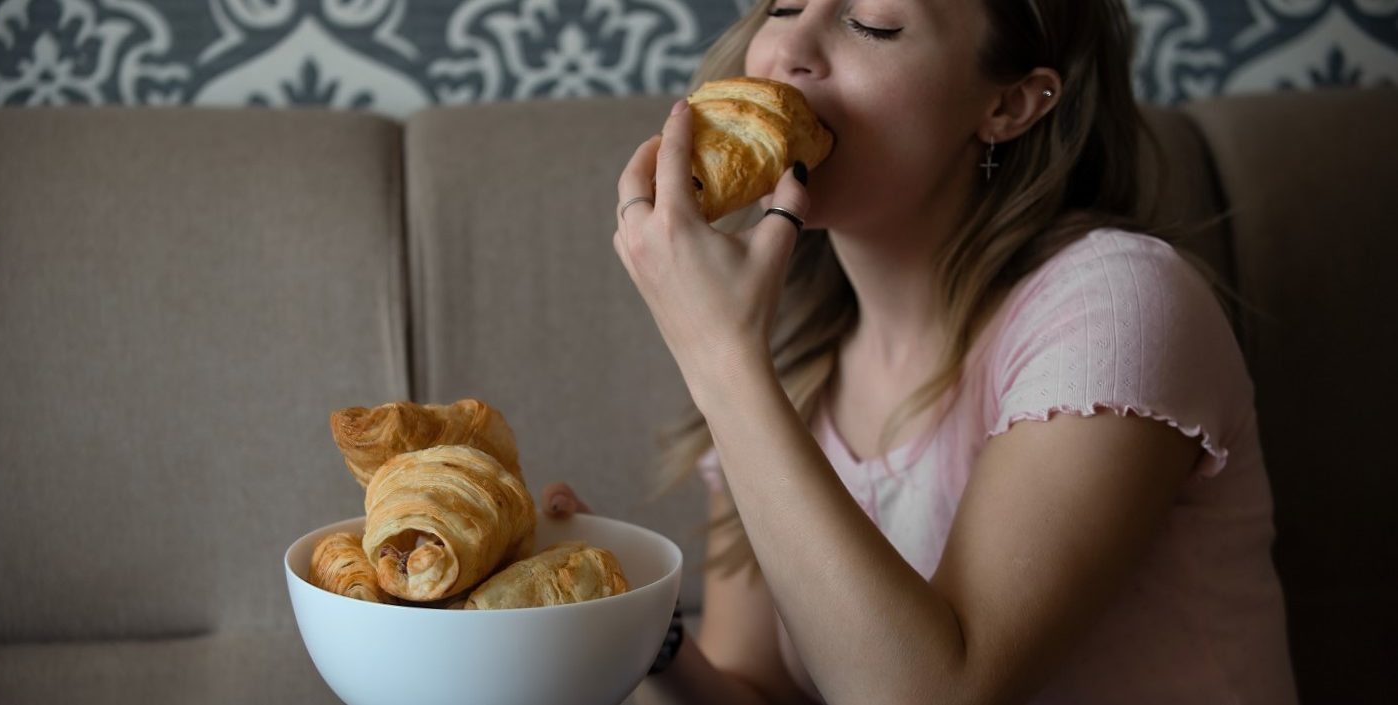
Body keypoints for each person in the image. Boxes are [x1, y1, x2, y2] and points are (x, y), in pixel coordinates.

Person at [545, 1, 1297, 702]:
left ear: (1007, 104)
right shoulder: (788, 360)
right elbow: (764, 687)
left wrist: (719, 355)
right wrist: (636, 623)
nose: (790, 52)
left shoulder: (1119, 302)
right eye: (783, 5)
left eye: (873, 23)